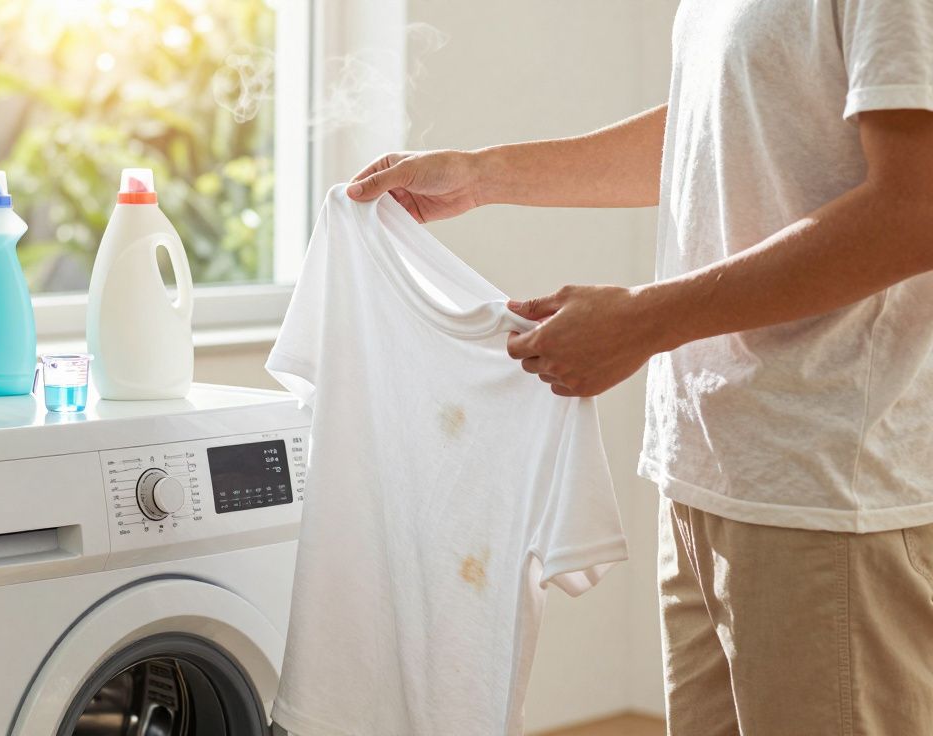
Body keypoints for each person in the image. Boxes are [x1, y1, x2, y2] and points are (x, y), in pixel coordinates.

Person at [346, 1, 933, 734]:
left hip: (825, 491)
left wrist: (644, 321)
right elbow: (712, 128)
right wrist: (483, 174)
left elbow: (916, 210)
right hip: (706, 472)